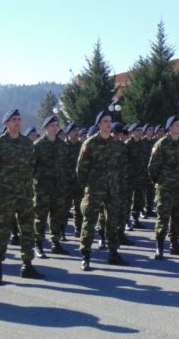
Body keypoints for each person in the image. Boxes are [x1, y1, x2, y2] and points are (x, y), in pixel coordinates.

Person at [0, 109, 45, 284]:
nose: (17, 122)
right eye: (13, 120)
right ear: (6, 123)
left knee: (27, 230)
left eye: (19, 119)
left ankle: (27, 265)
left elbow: (33, 165)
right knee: (1, 231)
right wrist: (1, 186)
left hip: (25, 194)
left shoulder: (27, 144)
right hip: (5, 195)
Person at [77, 111, 129, 271]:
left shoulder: (117, 145)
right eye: (105, 121)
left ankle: (113, 253)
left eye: (110, 121)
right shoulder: (90, 144)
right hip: (94, 189)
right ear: (99, 124)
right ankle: (86, 256)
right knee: (90, 222)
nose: (108, 124)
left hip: (112, 189)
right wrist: (89, 186)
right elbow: (81, 169)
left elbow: (121, 168)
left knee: (112, 222)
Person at [148, 115, 179, 258]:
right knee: (163, 217)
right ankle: (159, 247)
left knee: (178, 216)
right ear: (170, 127)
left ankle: (175, 244)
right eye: (177, 125)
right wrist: (160, 182)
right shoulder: (161, 144)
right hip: (165, 188)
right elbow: (152, 167)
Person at [31, 115, 71, 257]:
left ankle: (55, 242)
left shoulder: (63, 146)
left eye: (56, 125)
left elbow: (66, 166)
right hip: (42, 188)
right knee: (40, 217)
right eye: (52, 126)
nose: (55, 128)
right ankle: (38, 244)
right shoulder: (38, 145)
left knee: (57, 216)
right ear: (46, 128)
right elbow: (31, 167)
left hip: (58, 188)